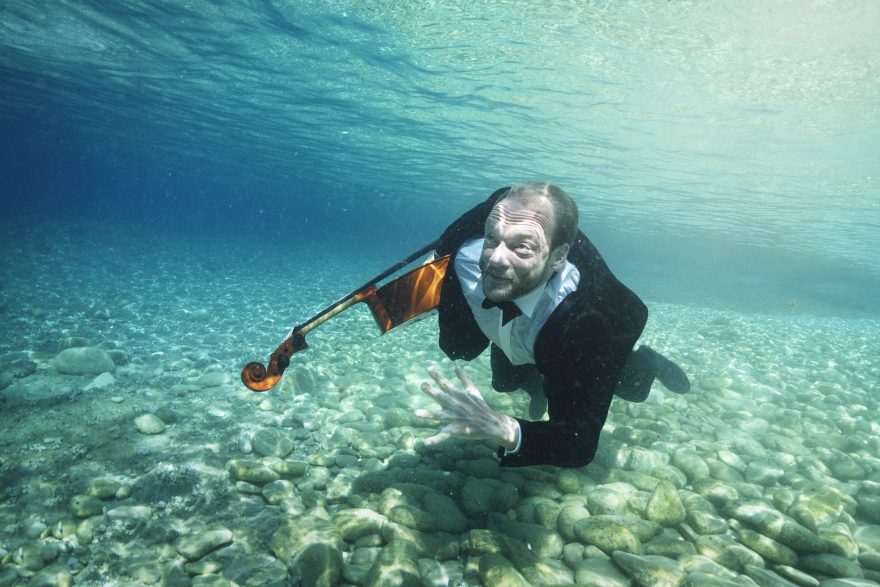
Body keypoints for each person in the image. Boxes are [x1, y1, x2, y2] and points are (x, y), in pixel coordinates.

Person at [415, 183, 690, 468]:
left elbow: (579, 443)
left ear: (559, 257)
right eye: (492, 238)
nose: (494, 260)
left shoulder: (590, 322)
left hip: (593, 326)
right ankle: (539, 381)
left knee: (632, 388)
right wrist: (433, 262)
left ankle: (648, 361)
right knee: (504, 382)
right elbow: (496, 203)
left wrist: (503, 428)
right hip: (534, 320)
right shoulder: (467, 255)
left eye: (521, 246)